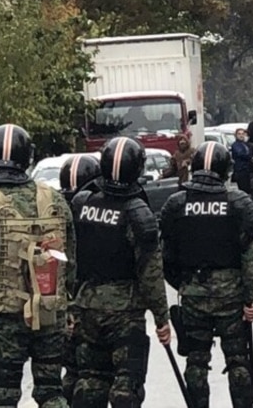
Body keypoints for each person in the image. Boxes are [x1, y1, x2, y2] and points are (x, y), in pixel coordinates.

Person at [0, 123, 75, 408]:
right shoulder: (54, 200)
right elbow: (70, 259)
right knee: (51, 389)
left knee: (7, 391)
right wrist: (68, 306)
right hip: (50, 310)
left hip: (7, 315)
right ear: (28, 157)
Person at [69, 137, 171, 407]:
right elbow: (150, 273)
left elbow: (70, 258)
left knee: (89, 382)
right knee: (127, 387)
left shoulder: (82, 203)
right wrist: (162, 318)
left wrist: (69, 304)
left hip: (86, 306)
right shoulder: (138, 213)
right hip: (125, 312)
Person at [160, 142, 253, 408]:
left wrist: (184, 284)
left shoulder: (177, 204)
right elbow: (248, 257)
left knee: (196, 359)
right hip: (231, 292)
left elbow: (166, 256)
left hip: (193, 290)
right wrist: (252, 300)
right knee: (238, 358)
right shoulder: (238, 203)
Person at [56, 154, 101, 404]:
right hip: (90, 304)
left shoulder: (53, 213)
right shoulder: (98, 213)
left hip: (61, 306)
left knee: (71, 373)